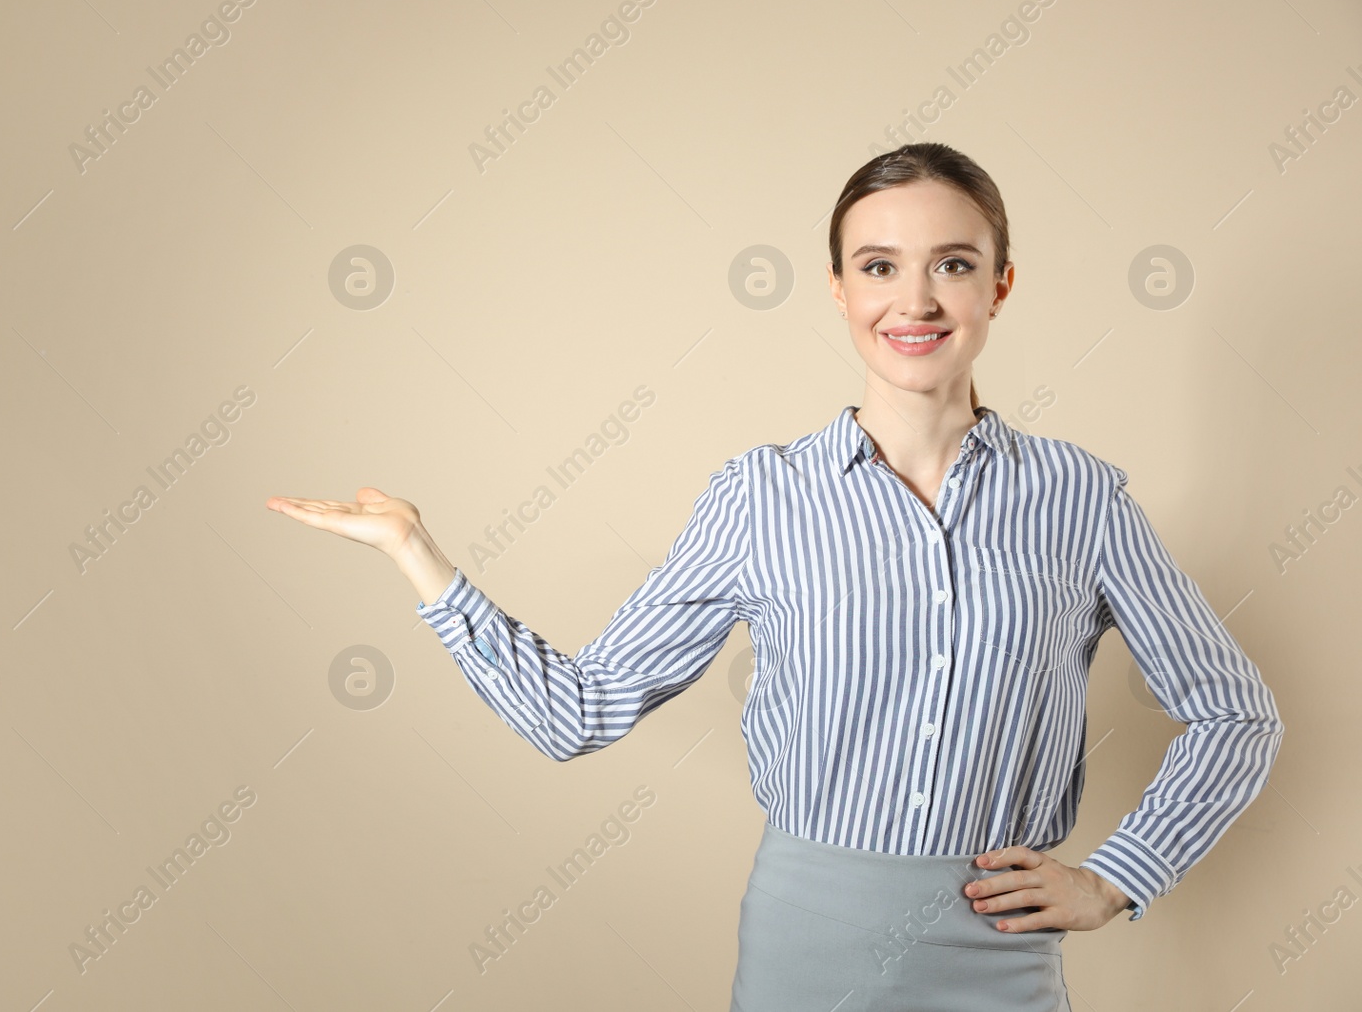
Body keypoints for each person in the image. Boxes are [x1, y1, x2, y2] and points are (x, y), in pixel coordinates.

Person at [266, 143, 1284, 1011]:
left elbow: (1236, 714)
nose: (915, 299)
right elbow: (572, 712)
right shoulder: (759, 496)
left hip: (1001, 958)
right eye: (879, 265)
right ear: (839, 288)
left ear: (999, 285)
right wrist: (418, 556)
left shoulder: (1082, 499)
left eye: (954, 263)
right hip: (809, 952)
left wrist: (1118, 876)